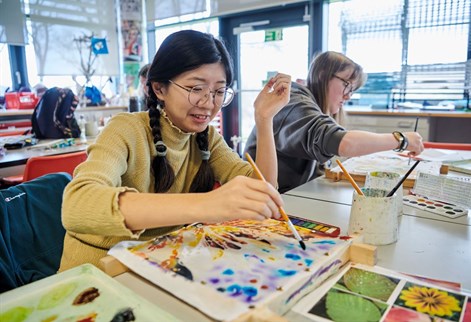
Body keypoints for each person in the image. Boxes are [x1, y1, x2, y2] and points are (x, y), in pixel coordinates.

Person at [59, 30, 291, 271]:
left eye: (219, 91)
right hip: (99, 273)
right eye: (195, 88)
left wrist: (264, 119)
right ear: (159, 89)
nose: (209, 103)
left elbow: (263, 189)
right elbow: (77, 204)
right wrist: (207, 204)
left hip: (159, 266)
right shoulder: (126, 129)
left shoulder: (206, 138)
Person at [244, 51, 424, 193]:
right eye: (347, 85)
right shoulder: (294, 102)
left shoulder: (312, 104)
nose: (348, 96)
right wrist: (402, 140)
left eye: (352, 90)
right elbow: (345, 144)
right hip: (270, 201)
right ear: (323, 75)